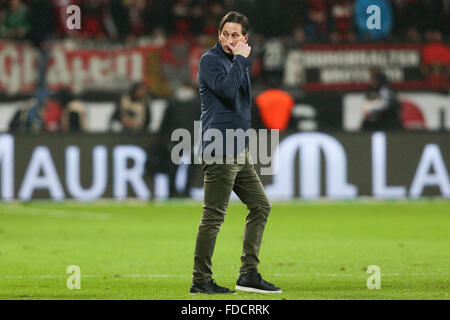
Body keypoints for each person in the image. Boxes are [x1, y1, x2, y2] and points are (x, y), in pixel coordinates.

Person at [190, 11, 281, 294]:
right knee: (214, 216)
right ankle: (200, 280)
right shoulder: (211, 61)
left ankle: (248, 273)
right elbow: (227, 92)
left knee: (261, 205)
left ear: (245, 38)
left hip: (238, 150)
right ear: (219, 34)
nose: (229, 39)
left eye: (235, 35)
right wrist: (241, 59)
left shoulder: (235, 62)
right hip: (219, 149)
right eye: (225, 34)